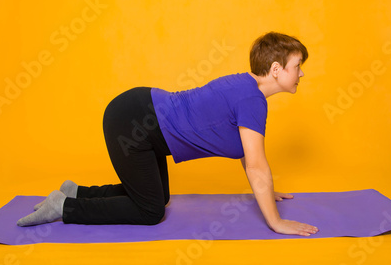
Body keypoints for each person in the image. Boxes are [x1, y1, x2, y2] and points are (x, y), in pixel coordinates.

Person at [17, 31, 319, 237]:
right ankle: (65, 207)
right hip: (133, 122)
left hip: (141, 117)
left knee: (158, 198)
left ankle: (76, 191)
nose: (302, 73)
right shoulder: (252, 100)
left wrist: (266, 190)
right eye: (298, 65)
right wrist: (276, 223)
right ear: (277, 69)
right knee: (150, 211)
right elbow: (256, 165)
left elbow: (247, 154)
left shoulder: (246, 89)